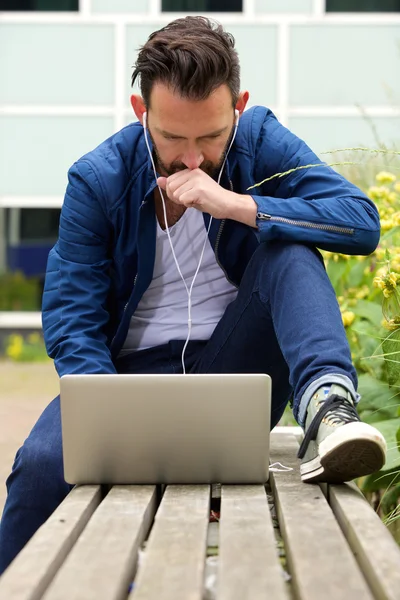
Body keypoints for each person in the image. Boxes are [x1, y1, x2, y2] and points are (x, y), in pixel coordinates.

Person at [0, 16, 386, 575]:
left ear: (238, 106)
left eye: (210, 137)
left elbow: (361, 224)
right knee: (39, 464)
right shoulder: (97, 179)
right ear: (141, 113)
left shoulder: (261, 141)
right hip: (125, 379)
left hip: (236, 369)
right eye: (172, 137)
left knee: (288, 249)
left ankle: (329, 409)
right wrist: (113, 417)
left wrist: (236, 205)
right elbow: (72, 318)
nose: (191, 158)